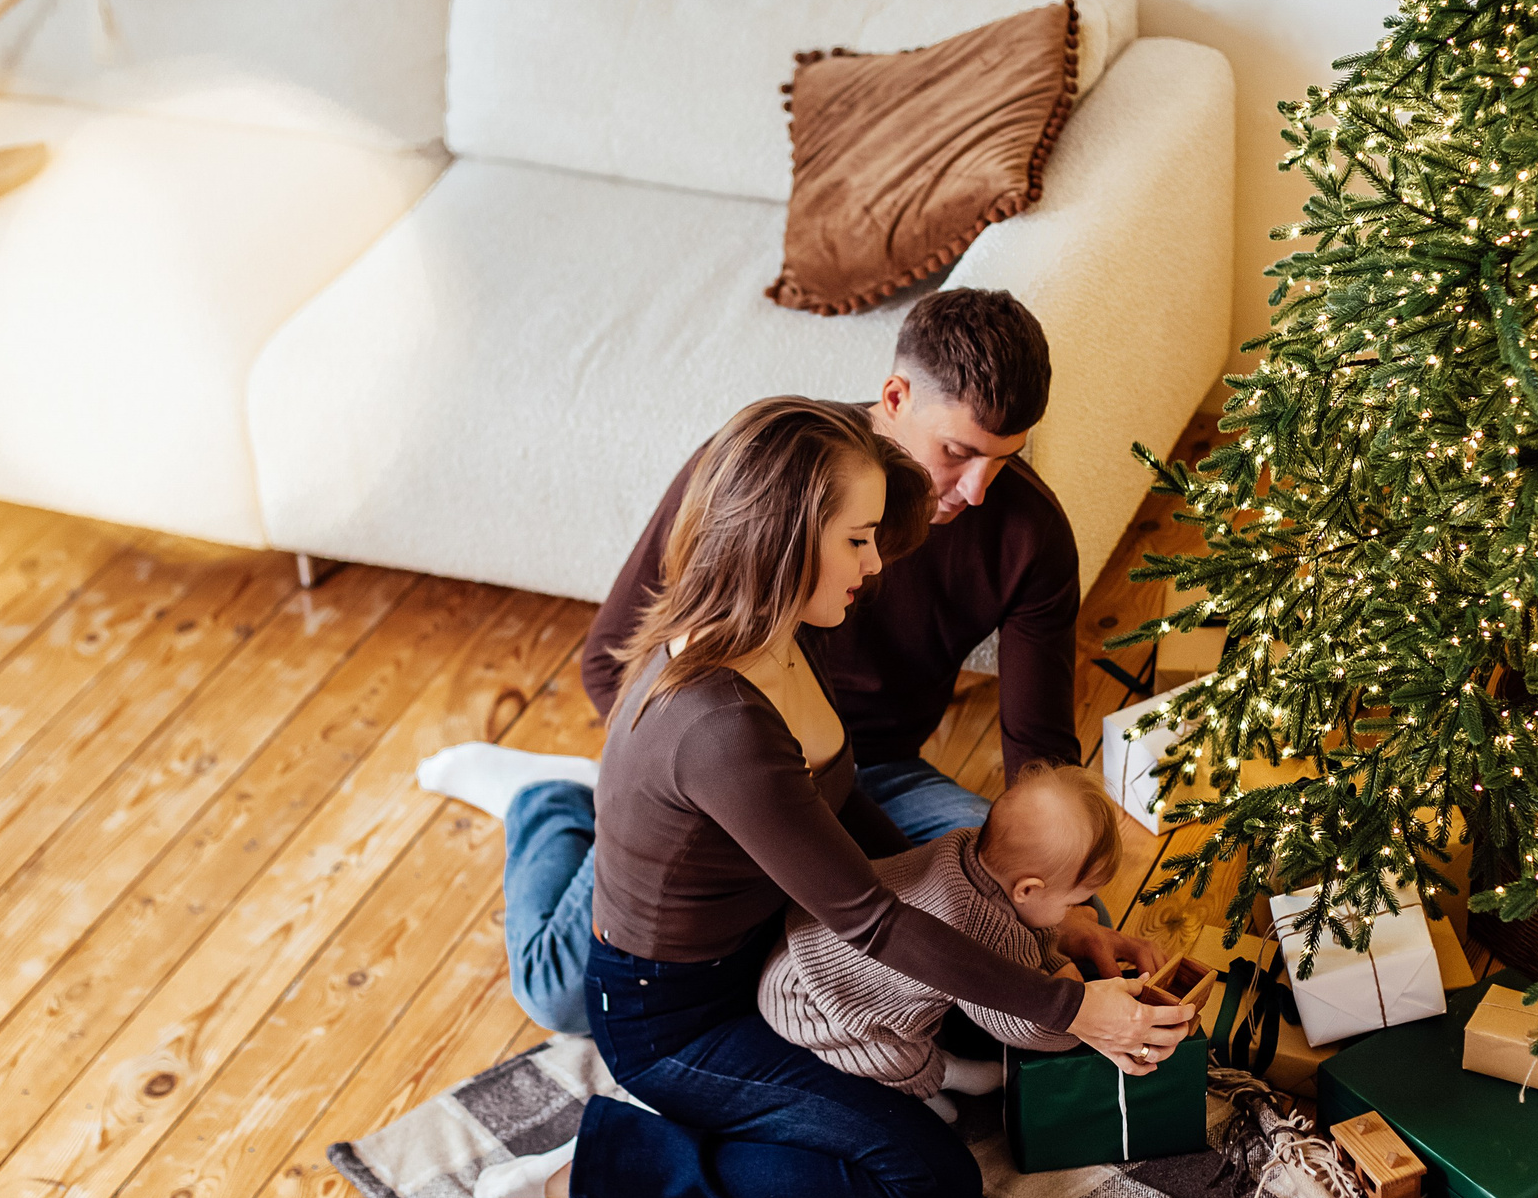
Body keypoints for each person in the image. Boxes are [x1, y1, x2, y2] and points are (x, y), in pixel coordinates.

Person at [462, 399, 1192, 1198]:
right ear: (783, 540)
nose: (875, 562)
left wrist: (1045, 923)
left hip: (777, 943)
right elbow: (872, 919)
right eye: (856, 539)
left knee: (981, 1008)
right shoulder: (720, 722)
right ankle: (605, 1165)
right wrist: (1074, 1008)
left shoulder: (785, 638)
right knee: (928, 1181)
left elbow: (860, 829)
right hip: (677, 1019)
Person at [417, 288, 1162, 1036]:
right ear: (895, 396)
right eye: (958, 453)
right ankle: (547, 802)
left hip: (873, 773)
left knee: (1027, 912)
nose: (976, 489)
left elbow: (1040, 759)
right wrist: (734, 801)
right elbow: (615, 664)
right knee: (560, 996)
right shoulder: (769, 475)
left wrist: (1055, 904)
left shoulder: (1028, 532)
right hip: (728, 780)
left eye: (1004, 460)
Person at [755, 762, 1117, 1117]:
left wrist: (1058, 965)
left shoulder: (967, 847)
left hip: (812, 940)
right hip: (811, 1001)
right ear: (1026, 889)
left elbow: (1029, 940)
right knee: (892, 1055)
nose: (1074, 911)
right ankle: (943, 1075)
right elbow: (1021, 1023)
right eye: (1072, 903)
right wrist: (1081, 1025)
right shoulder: (978, 928)